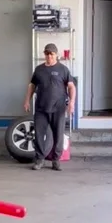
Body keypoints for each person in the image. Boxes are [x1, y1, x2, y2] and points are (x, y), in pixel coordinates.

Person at [23, 43, 76, 171]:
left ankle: (56, 160)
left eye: (51, 54)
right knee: (39, 135)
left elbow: (71, 86)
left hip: (58, 108)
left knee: (58, 134)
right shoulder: (39, 69)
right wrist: (27, 101)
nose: (49, 56)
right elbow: (32, 86)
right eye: (46, 54)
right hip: (41, 108)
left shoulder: (63, 69)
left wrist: (72, 103)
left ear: (56, 55)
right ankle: (39, 159)